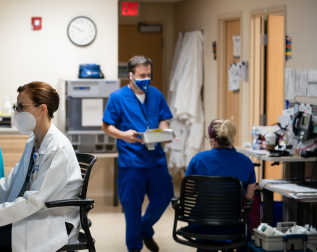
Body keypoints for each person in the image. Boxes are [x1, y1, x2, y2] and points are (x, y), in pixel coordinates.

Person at [0, 82, 83, 252]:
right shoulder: (34, 142)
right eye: (16, 106)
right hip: (32, 215)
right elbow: (12, 182)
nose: (17, 112)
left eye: (21, 106)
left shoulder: (58, 148)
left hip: (51, 222)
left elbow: (34, 200)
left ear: (42, 109)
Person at [102, 55, 175, 252]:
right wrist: (123, 135)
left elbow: (163, 118)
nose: (146, 79)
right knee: (132, 206)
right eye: (142, 75)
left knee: (164, 197)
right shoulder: (117, 97)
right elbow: (106, 126)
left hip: (156, 159)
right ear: (131, 75)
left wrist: (165, 132)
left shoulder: (156, 94)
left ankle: (145, 228)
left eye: (149, 75)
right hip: (131, 161)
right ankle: (134, 246)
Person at [185, 119, 256, 252]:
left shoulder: (198, 159)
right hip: (233, 225)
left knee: (206, 240)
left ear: (212, 141)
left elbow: (187, 192)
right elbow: (249, 197)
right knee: (244, 225)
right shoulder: (246, 162)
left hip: (201, 225)